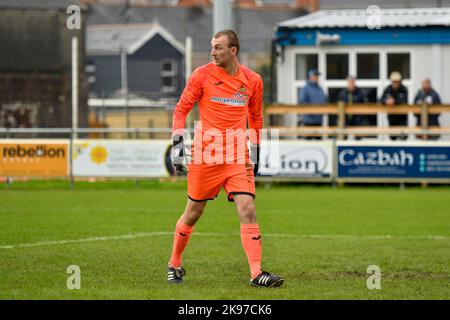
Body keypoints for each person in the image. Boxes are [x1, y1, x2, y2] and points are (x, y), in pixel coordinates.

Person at [167, 29, 284, 288]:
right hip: (206, 155)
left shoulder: (253, 80)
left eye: (218, 47)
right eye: (212, 46)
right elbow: (181, 110)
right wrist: (177, 147)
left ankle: (256, 274)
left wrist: (255, 150)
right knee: (193, 213)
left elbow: (256, 117)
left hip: (236, 155)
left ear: (233, 50)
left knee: (248, 209)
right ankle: (174, 262)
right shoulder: (202, 75)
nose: (213, 51)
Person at [380, 71, 409, 140]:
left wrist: (394, 101)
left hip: (402, 118)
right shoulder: (388, 89)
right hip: (392, 117)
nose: (395, 83)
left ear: (400, 81)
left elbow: (404, 101)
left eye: (397, 81)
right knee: (392, 137)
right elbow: (381, 100)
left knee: (403, 136)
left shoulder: (403, 89)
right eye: (393, 81)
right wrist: (386, 101)